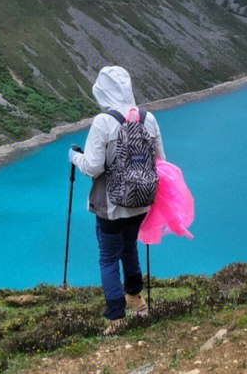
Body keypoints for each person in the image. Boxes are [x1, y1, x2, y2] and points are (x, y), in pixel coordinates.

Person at [69, 65, 164, 334]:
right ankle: (138, 303)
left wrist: (74, 157)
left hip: (110, 205)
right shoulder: (148, 119)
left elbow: (93, 167)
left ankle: (116, 319)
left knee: (107, 257)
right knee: (130, 248)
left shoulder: (103, 122)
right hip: (142, 201)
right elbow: (160, 161)